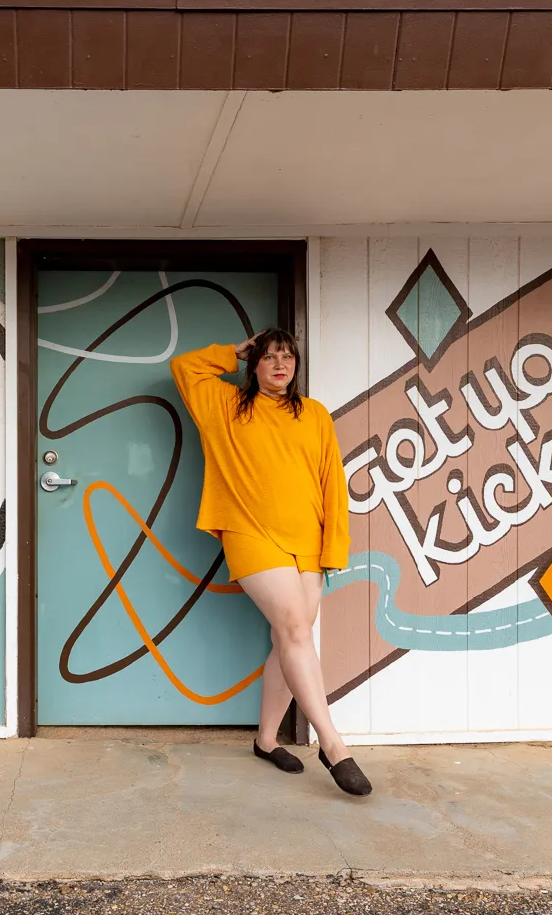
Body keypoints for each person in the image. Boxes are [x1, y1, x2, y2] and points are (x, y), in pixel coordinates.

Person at [170, 327, 371, 797]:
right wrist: (231, 348)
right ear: (254, 364)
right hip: (251, 535)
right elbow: (183, 368)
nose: (281, 364)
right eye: (269, 357)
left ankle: (265, 740)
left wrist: (333, 548)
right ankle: (333, 743)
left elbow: (331, 485)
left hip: (307, 540)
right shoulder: (225, 407)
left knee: (290, 637)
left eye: (288, 357)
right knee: (297, 631)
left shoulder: (315, 415)